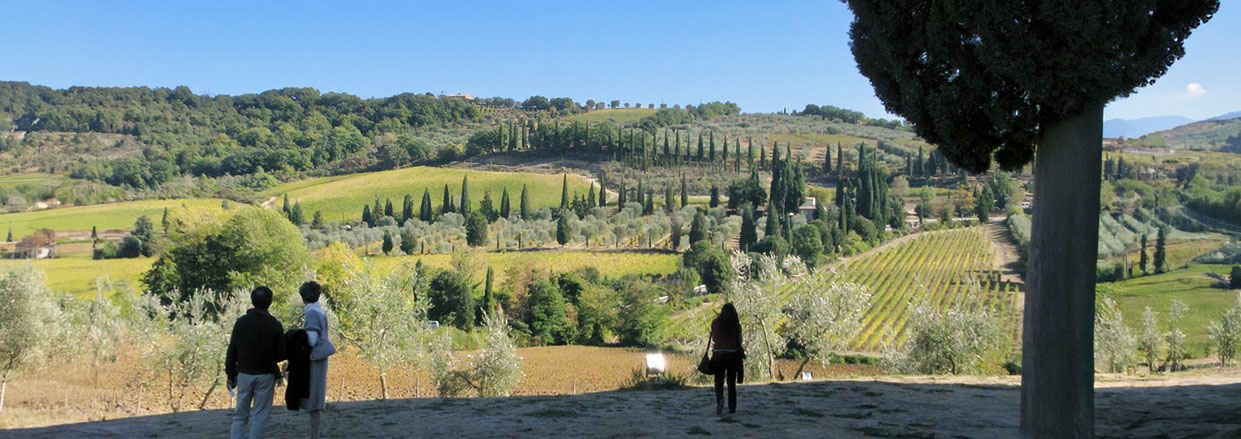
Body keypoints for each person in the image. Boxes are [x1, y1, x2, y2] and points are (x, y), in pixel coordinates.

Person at [226, 286, 286, 439]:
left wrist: (230, 373)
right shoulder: (275, 324)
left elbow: (232, 349)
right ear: (270, 302)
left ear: (252, 301)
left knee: (240, 415)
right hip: (266, 375)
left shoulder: (241, 322)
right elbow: (280, 354)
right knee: (260, 416)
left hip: (244, 374)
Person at [300, 281, 336, 439]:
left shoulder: (312, 313)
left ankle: (314, 435)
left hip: (314, 358)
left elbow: (311, 338)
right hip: (320, 358)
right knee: (316, 396)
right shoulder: (319, 311)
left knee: (313, 397)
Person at [710, 303, 744, 416]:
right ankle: (732, 408)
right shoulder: (736, 325)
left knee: (718, 381)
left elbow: (714, 339)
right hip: (732, 355)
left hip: (718, 354)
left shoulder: (715, 323)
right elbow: (739, 341)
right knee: (731, 382)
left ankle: (720, 400)